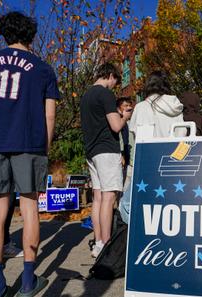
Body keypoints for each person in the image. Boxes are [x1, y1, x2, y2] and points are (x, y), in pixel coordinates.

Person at [0, 12, 59, 297]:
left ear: (2, 33)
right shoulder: (44, 69)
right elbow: (49, 115)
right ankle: (28, 281)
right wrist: (44, 148)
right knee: (30, 208)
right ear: (31, 35)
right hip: (29, 143)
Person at [119, 71, 185, 224]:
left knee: (127, 205)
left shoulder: (142, 107)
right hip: (174, 166)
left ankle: (140, 236)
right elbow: (182, 136)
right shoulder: (176, 107)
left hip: (149, 167)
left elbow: (138, 140)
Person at [80, 63, 131, 258]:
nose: (114, 86)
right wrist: (124, 116)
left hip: (91, 151)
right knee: (109, 199)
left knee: (98, 198)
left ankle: (98, 241)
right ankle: (105, 244)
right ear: (110, 75)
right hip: (107, 150)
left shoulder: (86, 96)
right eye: (115, 81)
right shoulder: (105, 95)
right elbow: (116, 126)